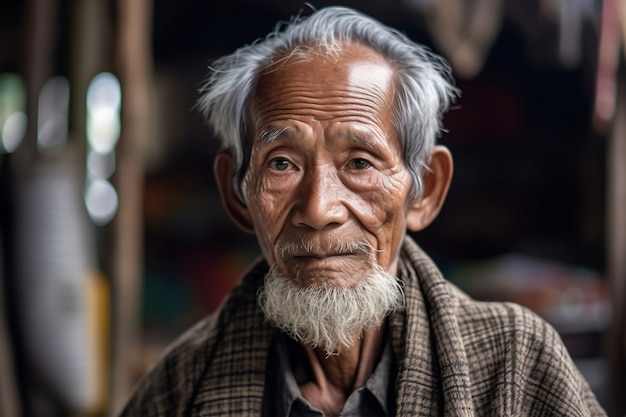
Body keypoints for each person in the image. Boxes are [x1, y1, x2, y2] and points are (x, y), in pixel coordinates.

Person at [119, 6, 606, 416]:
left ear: (426, 190)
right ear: (237, 196)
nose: (319, 208)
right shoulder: (179, 389)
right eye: (282, 163)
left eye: (359, 162)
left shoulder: (514, 366)